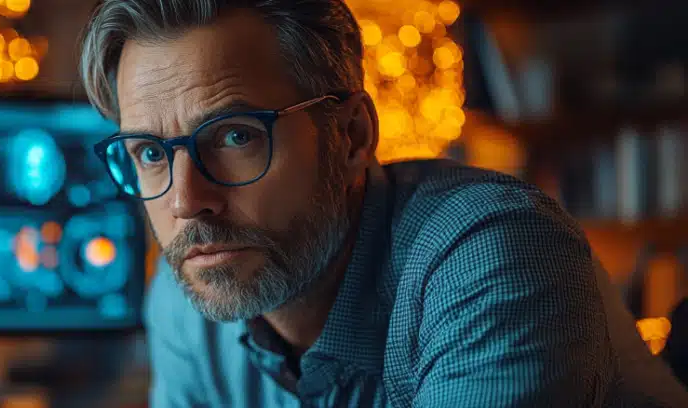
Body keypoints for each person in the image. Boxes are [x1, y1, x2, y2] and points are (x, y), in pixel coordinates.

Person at [78, 0, 688, 406]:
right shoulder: (190, 301)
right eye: (150, 153)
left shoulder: (493, 253)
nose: (187, 203)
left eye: (237, 136)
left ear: (350, 138)